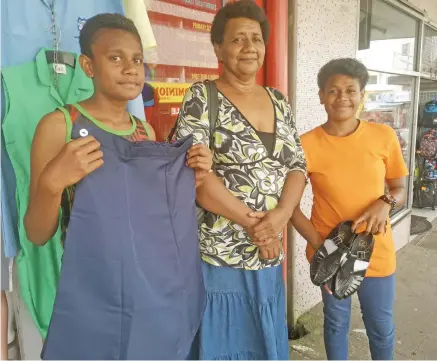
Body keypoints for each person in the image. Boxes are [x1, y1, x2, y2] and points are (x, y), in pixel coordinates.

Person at [24, 13, 212, 359]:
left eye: (137, 59)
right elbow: (36, 234)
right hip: (93, 288)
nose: (130, 68)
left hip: (150, 291)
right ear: (88, 65)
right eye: (115, 58)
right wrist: (53, 182)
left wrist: (191, 178)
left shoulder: (145, 133)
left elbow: (154, 220)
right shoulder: (60, 125)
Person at [174, 1, 307, 359]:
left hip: (268, 254)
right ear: (218, 47)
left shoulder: (279, 101)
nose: (249, 47)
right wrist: (257, 227)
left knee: (264, 341)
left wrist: (279, 218)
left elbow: (297, 166)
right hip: (219, 255)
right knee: (224, 345)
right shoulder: (201, 97)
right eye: (237, 39)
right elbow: (197, 179)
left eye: (256, 38)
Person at [291, 58, 408, 360]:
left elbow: (400, 188)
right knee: (336, 323)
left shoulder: (383, 136)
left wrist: (386, 203)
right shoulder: (306, 144)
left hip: (376, 250)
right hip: (330, 252)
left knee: (380, 326)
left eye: (350, 90)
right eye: (333, 90)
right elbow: (289, 206)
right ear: (321, 95)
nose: (342, 97)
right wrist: (321, 250)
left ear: (361, 95)